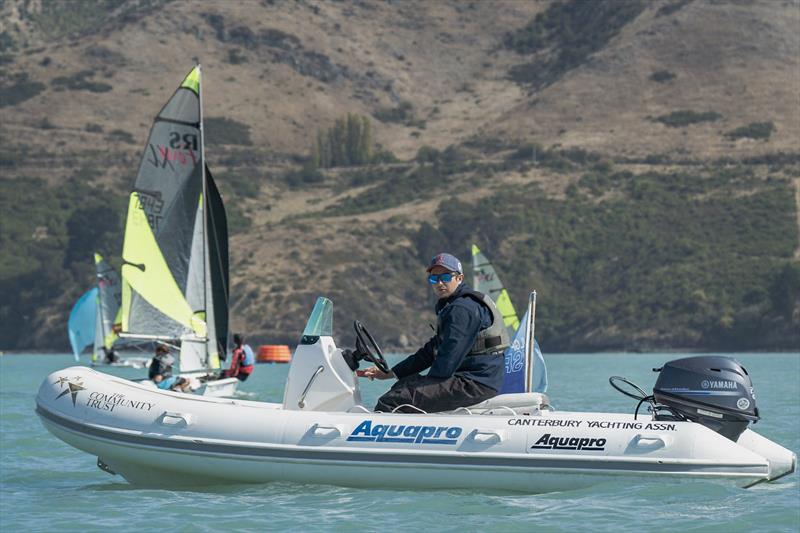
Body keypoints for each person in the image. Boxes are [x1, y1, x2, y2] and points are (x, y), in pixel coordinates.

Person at [361, 252, 510, 413]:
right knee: (403, 386)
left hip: (474, 384)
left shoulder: (462, 309)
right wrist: (392, 373)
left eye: (446, 277)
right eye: (434, 278)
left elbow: (448, 360)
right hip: (475, 380)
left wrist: (426, 386)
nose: (439, 283)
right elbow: (430, 352)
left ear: (459, 278)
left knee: (394, 401)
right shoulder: (454, 305)